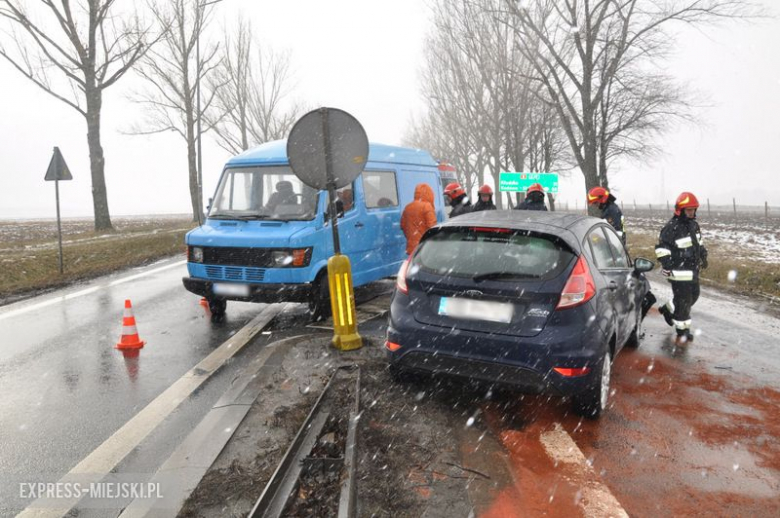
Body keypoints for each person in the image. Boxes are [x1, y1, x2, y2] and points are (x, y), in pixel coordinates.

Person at [655, 192, 709, 346]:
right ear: (680, 210)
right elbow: (661, 249)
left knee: (694, 295)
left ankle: (667, 309)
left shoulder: (693, 225)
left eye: (693, 210)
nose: (691, 213)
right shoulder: (671, 227)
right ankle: (682, 330)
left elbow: (699, 244)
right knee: (684, 301)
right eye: (689, 210)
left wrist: (703, 256)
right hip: (678, 272)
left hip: (692, 270)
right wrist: (668, 263)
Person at [400, 183, 437, 255]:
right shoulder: (427, 206)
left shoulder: (407, 207)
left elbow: (402, 225)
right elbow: (432, 228)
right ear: (429, 194)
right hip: (425, 247)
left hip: (412, 248)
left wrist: (411, 238)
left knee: (414, 265)